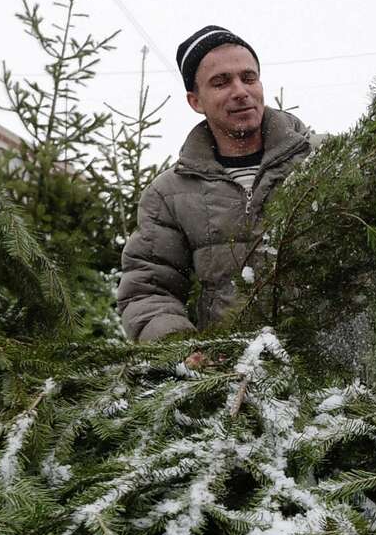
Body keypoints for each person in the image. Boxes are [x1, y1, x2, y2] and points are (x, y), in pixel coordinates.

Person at [116, 25, 312, 344]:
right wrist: (179, 348)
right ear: (195, 101)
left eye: (248, 78)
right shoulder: (170, 194)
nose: (240, 91)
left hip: (334, 379)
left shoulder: (321, 163)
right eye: (221, 82)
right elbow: (147, 291)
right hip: (231, 377)